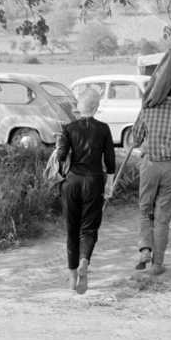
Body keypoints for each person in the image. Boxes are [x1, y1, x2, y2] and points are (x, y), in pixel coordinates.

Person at [130, 72, 171, 275]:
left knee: (144, 209)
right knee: (163, 216)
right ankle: (158, 263)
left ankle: (144, 249)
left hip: (149, 164)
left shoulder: (147, 111)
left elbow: (135, 139)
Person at [53, 86, 116, 294]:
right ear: (96, 107)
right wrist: (109, 184)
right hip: (94, 181)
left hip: (72, 182)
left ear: (80, 106)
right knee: (89, 228)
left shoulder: (69, 128)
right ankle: (85, 261)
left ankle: (72, 279)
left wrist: (59, 147)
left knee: (72, 230)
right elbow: (109, 160)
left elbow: (61, 156)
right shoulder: (104, 128)